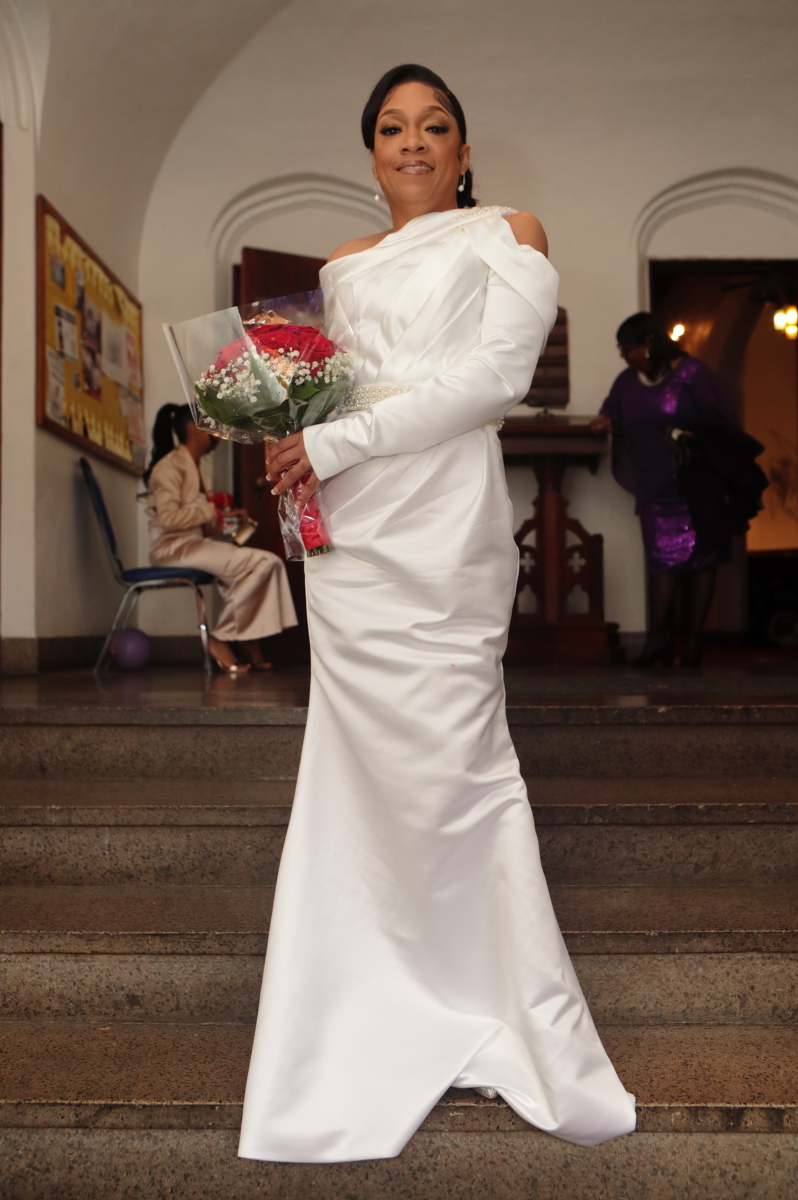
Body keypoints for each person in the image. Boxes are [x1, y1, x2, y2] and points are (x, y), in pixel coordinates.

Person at [239, 64, 635, 1163]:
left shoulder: (508, 232)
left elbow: (492, 378)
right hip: (352, 533)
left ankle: (488, 994)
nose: (412, 142)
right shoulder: (339, 266)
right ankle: (360, 997)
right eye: (390, 128)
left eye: (434, 127)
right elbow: (345, 387)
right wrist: (295, 444)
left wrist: (331, 441)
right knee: (358, 761)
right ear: (369, 152)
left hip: (437, 525)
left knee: (459, 756)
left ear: (463, 149)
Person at [592, 313, 749, 668]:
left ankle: (693, 645)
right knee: (661, 563)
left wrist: (691, 435)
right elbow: (612, 413)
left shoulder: (692, 374)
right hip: (654, 488)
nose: (624, 356)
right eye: (622, 349)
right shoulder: (626, 382)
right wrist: (603, 423)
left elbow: (723, 422)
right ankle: (657, 642)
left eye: (629, 348)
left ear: (649, 344)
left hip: (695, 484)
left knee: (701, 560)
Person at [144, 403, 297, 673]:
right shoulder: (167, 467)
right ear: (193, 428)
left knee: (267, 564)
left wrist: (228, 520)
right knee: (262, 564)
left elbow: (202, 523)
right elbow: (169, 519)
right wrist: (210, 510)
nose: (214, 433)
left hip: (191, 543)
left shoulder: (198, 469)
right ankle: (221, 638)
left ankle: (248, 640)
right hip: (172, 547)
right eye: (208, 425)